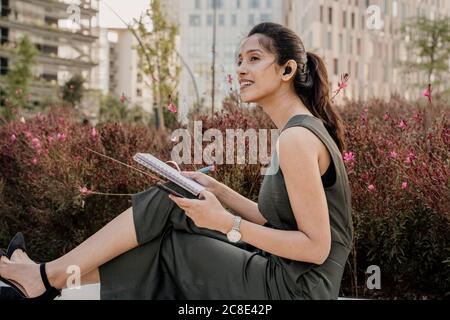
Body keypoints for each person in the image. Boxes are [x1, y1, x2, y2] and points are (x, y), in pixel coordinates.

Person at [0, 22, 353, 300]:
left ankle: (45, 278)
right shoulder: (295, 133)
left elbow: (315, 247)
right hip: (289, 277)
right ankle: (48, 277)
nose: (242, 69)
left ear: (287, 70)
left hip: (296, 290)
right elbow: (278, 220)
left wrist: (228, 223)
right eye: (240, 60)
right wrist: (217, 190)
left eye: (254, 59)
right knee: (173, 198)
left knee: (170, 237)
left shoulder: (296, 140)